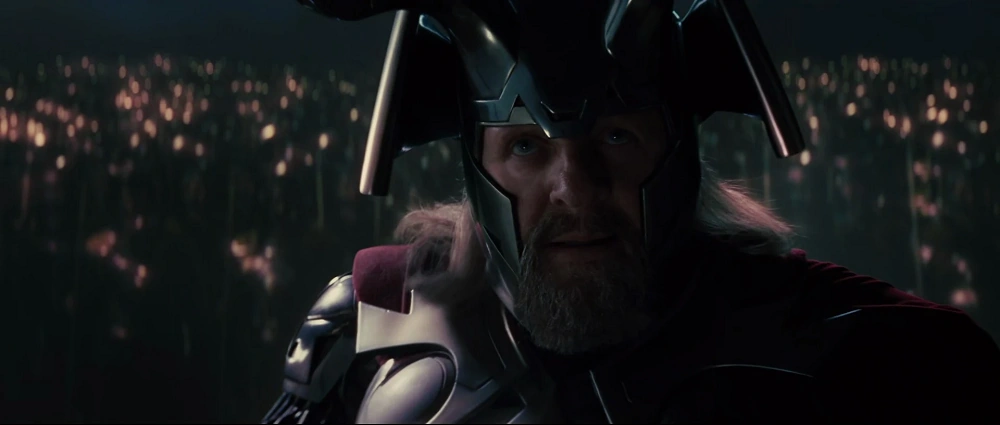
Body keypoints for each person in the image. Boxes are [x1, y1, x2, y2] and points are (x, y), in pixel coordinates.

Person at [264, 0, 1000, 423]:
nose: (575, 188)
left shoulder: (862, 357)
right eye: (526, 147)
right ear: (476, 167)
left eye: (616, 137)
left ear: (677, 150)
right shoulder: (371, 331)